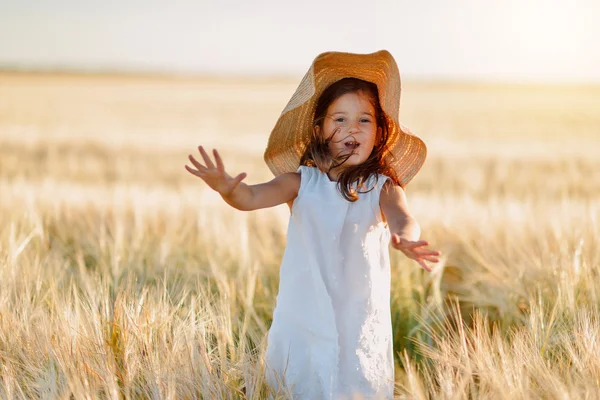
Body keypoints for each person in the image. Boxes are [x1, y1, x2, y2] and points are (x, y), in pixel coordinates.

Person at [185, 50, 441, 399]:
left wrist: (405, 238)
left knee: (355, 384)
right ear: (319, 130)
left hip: (358, 317)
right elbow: (251, 198)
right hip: (302, 314)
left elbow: (403, 218)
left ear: (379, 132)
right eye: (339, 119)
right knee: (298, 384)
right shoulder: (300, 182)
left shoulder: (381, 187)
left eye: (364, 120)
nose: (352, 128)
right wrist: (229, 190)